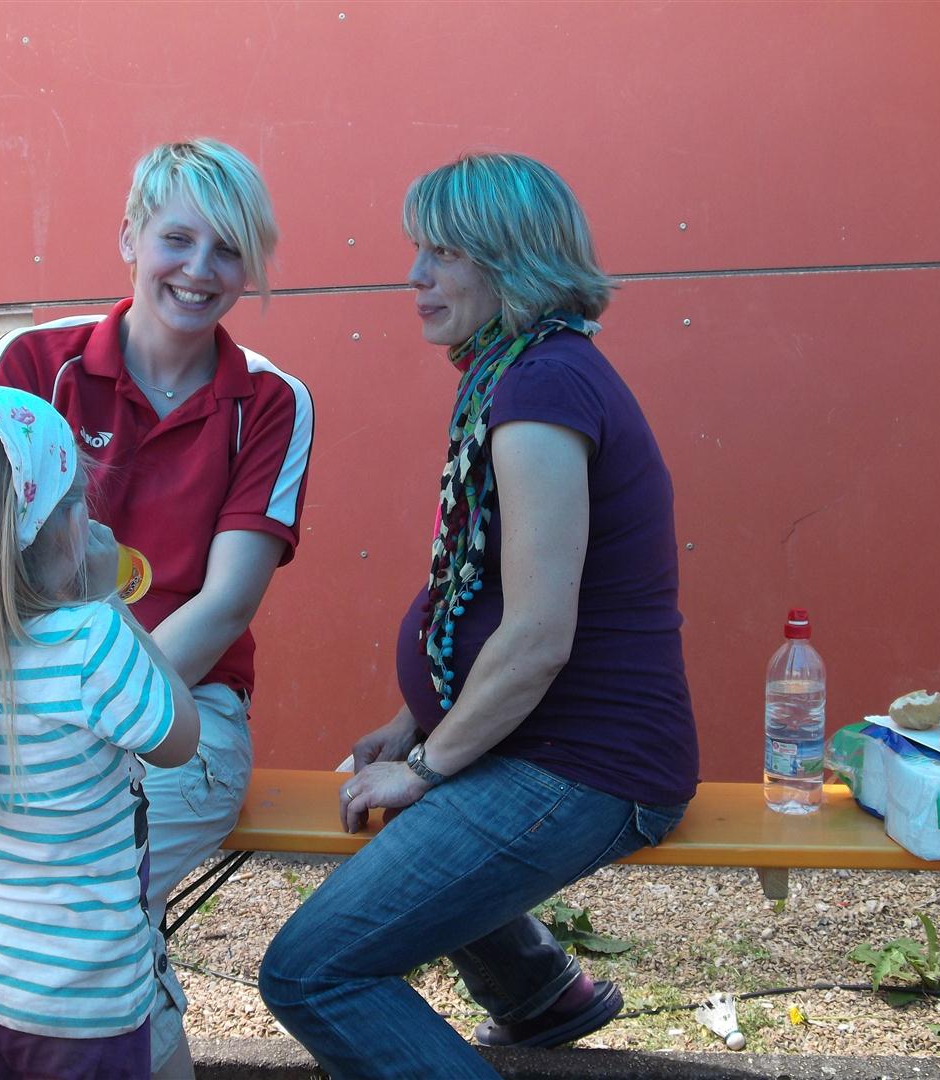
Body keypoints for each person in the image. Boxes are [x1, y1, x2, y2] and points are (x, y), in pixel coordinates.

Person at [0, 139, 313, 1080]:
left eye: (229, 249)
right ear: (130, 236)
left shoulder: (270, 399)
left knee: (89, 930)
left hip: (179, 700)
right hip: (7, 687)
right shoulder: (35, 360)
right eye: (177, 238)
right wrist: (19, 694)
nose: (200, 268)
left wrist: (102, 693)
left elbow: (227, 602)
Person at [258, 152, 699, 1080]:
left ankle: (534, 992)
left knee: (312, 972)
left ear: (511, 261)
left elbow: (535, 635)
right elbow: (482, 591)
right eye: (419, 250)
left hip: (584, 767)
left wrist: (427, 765)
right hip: (549, 750)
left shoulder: (540, 391)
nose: (415, 274)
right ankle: (539, 996)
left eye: (444, 252)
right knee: (405, 826)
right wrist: (410, 719)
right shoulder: (518, 372)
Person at [0, 377, 200, 1079]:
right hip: (76, 998)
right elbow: (181, 738)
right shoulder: (88, 643)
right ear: (55, 529)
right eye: (79, 500)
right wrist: (110, 600)